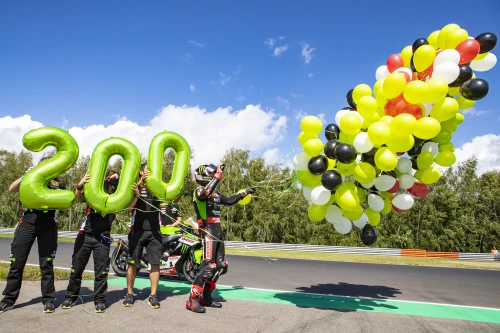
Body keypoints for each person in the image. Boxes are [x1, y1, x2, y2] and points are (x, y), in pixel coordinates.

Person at [61, 170, 136, 313]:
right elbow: (78, 199)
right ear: (106, 177)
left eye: (118, 178)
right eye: (113, 177)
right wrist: (79, 185)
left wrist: (136, 194)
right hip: (86, 234)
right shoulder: (94, 190)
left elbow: (128, 207)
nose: (115, 179)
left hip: (103, 237)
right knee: (76, 269)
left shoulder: (118, 196)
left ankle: (100, 300)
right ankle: (70, 297)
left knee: (101, 272)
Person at [186, 163, 255, 313]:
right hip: (207, 231)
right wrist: (217, 176)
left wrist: (244, 193)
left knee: (220, 265)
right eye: (211, 173)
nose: (213, 174)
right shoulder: (199, 191)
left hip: (217, 231)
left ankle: (206, 297)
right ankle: (192, 300)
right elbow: (205, 194)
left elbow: (229, 201)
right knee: (208, 266)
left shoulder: (215, 194)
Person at [0, 157, 66, 313]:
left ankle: (49, 300)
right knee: (16, 263)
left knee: (46, 264)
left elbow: (65, 202)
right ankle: (8, 299)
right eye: (42, 165)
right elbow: (12, 189)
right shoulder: (31, 178)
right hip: (28, 223)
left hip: (48, 225)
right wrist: (25, 176)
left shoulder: (59, 185)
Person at [123, 163, 164, 309]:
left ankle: (153, 295)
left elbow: (174, 200)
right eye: (147, 170)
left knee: (155, 263)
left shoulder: (157, 186)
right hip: (137, 231)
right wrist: (138, 193)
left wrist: (180, 188)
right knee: (132, 263)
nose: (150, 172)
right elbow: (129, 208)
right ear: (141, 172)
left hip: (155, 232)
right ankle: (130, 293)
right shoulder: (134, 186)